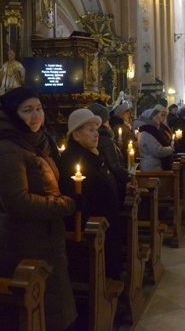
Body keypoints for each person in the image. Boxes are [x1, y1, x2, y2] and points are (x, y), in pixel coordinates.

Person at [0, 87, 77, 331]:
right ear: (13, 114)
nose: (36, 116)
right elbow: (17, 202)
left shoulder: (35, 140)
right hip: (20, 241)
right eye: (27, 111)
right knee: (35, 314)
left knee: (52, 309)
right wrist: (66, 204)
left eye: (39, 109)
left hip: (44, 238)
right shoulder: (4, 147)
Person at [58, 109, 124, 280]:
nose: (96, 134)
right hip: (93, 228)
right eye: (90, 130)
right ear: (77, 135)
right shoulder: (74, 160)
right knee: (99, 272)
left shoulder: (92, 154)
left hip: (105, 223)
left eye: (96, 129)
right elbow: (83, 194)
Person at [87, 103, 130, 200]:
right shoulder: (104, 138)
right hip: (111, 188)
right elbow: (114, 166)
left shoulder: (103, 137)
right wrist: (129, 176)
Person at [137, 107, 174, 171]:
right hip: (151, 168)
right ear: (149, 119)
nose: (158, 118)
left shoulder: (153, 131)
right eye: (155, 116)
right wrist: (170, 149)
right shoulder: (147, 132)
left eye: (157, 116)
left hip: (155, 166)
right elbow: (157, 151)